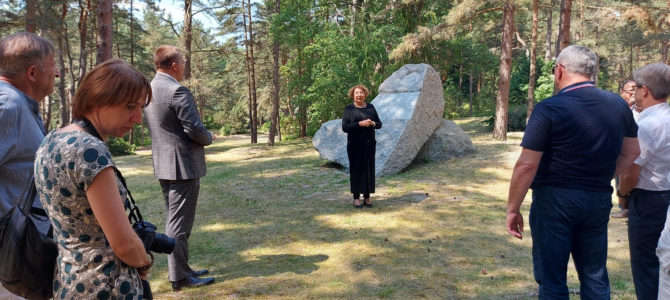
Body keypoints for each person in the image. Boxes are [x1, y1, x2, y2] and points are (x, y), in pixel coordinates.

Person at [505, 45, 640, 299]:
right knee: (595, 277)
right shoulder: (618, 105)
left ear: (560, 71)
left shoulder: (549, 108)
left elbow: (526, 164)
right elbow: (632, 151)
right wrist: (604, 174)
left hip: (554, 201)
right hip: (597, 199)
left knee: (552, 279)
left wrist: (513, 208)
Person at [34, 59, 153, 299]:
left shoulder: (52, 140)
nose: (138, 118)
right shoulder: (90, 150)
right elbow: (124, 244)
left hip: (69, 279)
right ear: (99, 99)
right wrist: (144, 263)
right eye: (130, 106)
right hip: (105, 285)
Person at [143, 45, 215, 291]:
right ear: (174, 65)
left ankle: (183, 270)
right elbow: (193, 128)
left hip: (165, 164)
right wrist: (209, 137)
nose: (184, 67)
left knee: (176, 220)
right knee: (179, 224)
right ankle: (180, 277)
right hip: (182, 166)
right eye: (182, 62)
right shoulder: (177, 90)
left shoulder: (150, 89)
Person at [0, 32, 59, 300]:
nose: (57, 74)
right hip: (9, 257)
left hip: (22, 251)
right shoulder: (7, 105)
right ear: (33, 72)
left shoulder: (17, 103)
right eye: (53, 66)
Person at [617, 62, 670, 299]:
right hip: (663, 196)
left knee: (646, 265)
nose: (634, 93)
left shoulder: (648, 125)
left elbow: (630, 172)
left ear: (645, 90)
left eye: (636, 88)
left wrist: (623, 197)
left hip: (648, 201)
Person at [341, 84, 382, 209]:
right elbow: (345, 128)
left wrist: (373, 123)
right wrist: (359, 124)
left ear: (365, 94)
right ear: (353, 95)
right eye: (357, 93)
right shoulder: (349, 109)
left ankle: (367, 196)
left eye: (361, 93)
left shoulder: (371, 107)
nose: (359, 95)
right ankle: (356, 197)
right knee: (356, 170)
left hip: (369, 144)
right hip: (354, 145)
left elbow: (379, 124)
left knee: (368, 169)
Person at [612, 80, 639, 219]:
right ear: (623, 93)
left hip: (634, 149)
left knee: (631, 177)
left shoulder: (639, 108)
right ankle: (623, 207)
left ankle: (629, 208)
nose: (633, 93)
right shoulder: (619, 108)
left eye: (636, 89)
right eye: (630, 91)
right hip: (619, 149)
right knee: (619, 178)